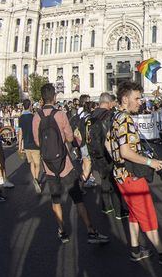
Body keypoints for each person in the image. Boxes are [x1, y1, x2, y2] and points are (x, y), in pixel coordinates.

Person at [107, 80, 162, 264]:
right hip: (131, 176)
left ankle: (135, 249)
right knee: (146, 214)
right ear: (125, 99)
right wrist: (150, 162)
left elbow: (109, 144)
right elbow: (125, 151)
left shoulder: (115, 117)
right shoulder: (125, 119)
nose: (141, 102)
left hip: (120, 174)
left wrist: (118, 161)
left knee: (134, 213)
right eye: (137, 98)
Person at [33, 83, 110, 245]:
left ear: (42, 98)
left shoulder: (37, 116)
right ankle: (91, 230)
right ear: (54, 97)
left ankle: (62, 230)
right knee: (78, 199)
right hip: (65, 163)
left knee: (56, 200)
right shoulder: (60, 114)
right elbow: (69, 138)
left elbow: (37, 141)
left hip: (48, 164)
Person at [87, 92, 129, 219]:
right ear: (108, 102)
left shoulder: (91, 116)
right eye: (112, 102)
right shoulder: (110, 116)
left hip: (95, 153)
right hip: (108, 152)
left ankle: (106, 206)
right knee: (115, 180)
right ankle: (119, 210)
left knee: (104, 178)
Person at [17, 99, 42, 195]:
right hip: (35, 143)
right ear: (30, 106)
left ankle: (34, 179)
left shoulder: (21, 118)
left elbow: (20, 133)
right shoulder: (34, 117)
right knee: (37, 163)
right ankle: (36, 178)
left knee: (31, 162)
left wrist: (20, 146)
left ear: (23, 106)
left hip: (26, 144)